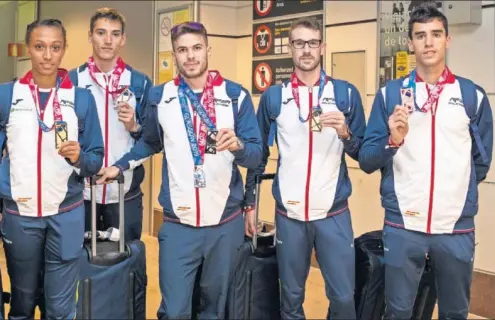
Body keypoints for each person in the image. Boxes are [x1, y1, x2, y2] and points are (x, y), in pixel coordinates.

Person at [98, 21, 262, 319]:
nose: (190, 56)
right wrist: (119, 166)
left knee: (216, 310)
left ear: (208, 49)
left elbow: (256, 155)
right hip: (178, 225)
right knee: (174, 311)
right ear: (174, 55)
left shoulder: (235, 96)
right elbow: (148, 143)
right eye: (182, 50)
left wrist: (238, 145)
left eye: (196, 48)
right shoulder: (160, 97)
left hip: (224, 225)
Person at [0, 19, 104, 319]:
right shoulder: (5, 95)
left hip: (66, 213)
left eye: (55, 48)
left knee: (61, 308)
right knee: (22, 303)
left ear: (64, 50)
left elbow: (96, 159)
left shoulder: (80, 99)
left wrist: (80, 157)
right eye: (40, 47)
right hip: (20, 216)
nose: (47, 55)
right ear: (28, 48)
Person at [359, 4, 493, 319]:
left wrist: (458, 194)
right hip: (404, 224)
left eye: (435, 34)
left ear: (448, 40)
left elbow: (481, 161)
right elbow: (367, 159)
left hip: (455, 226)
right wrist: (393, 140)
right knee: (399, 312)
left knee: (455, 311)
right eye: (420, 36)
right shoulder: (390, 94)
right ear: (410, 43)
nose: (428, 42)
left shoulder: (471, 95)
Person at [244, 17, 366, 319]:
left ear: (322, 47)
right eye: (299, 43)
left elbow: (364, 153)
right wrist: (250, 202)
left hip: (333, 213)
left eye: (312, 43)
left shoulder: (345, 94)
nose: (306, 50)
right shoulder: (274, 97)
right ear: (291, 48)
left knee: (342, 297)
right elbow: (258, 154)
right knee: (291, 298)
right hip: (290, 215)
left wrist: (346, 134)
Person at [69, 7, 152, 242]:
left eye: (115, 34)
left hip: (124, 191)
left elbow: (152, 139)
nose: (108, 40)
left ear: (123, 39)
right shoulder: (72, 81)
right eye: (101, 33)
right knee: (81, 265)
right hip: (81, 192)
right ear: (89, 36)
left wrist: (134, 126)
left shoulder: (139, 82)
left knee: (126, 263)